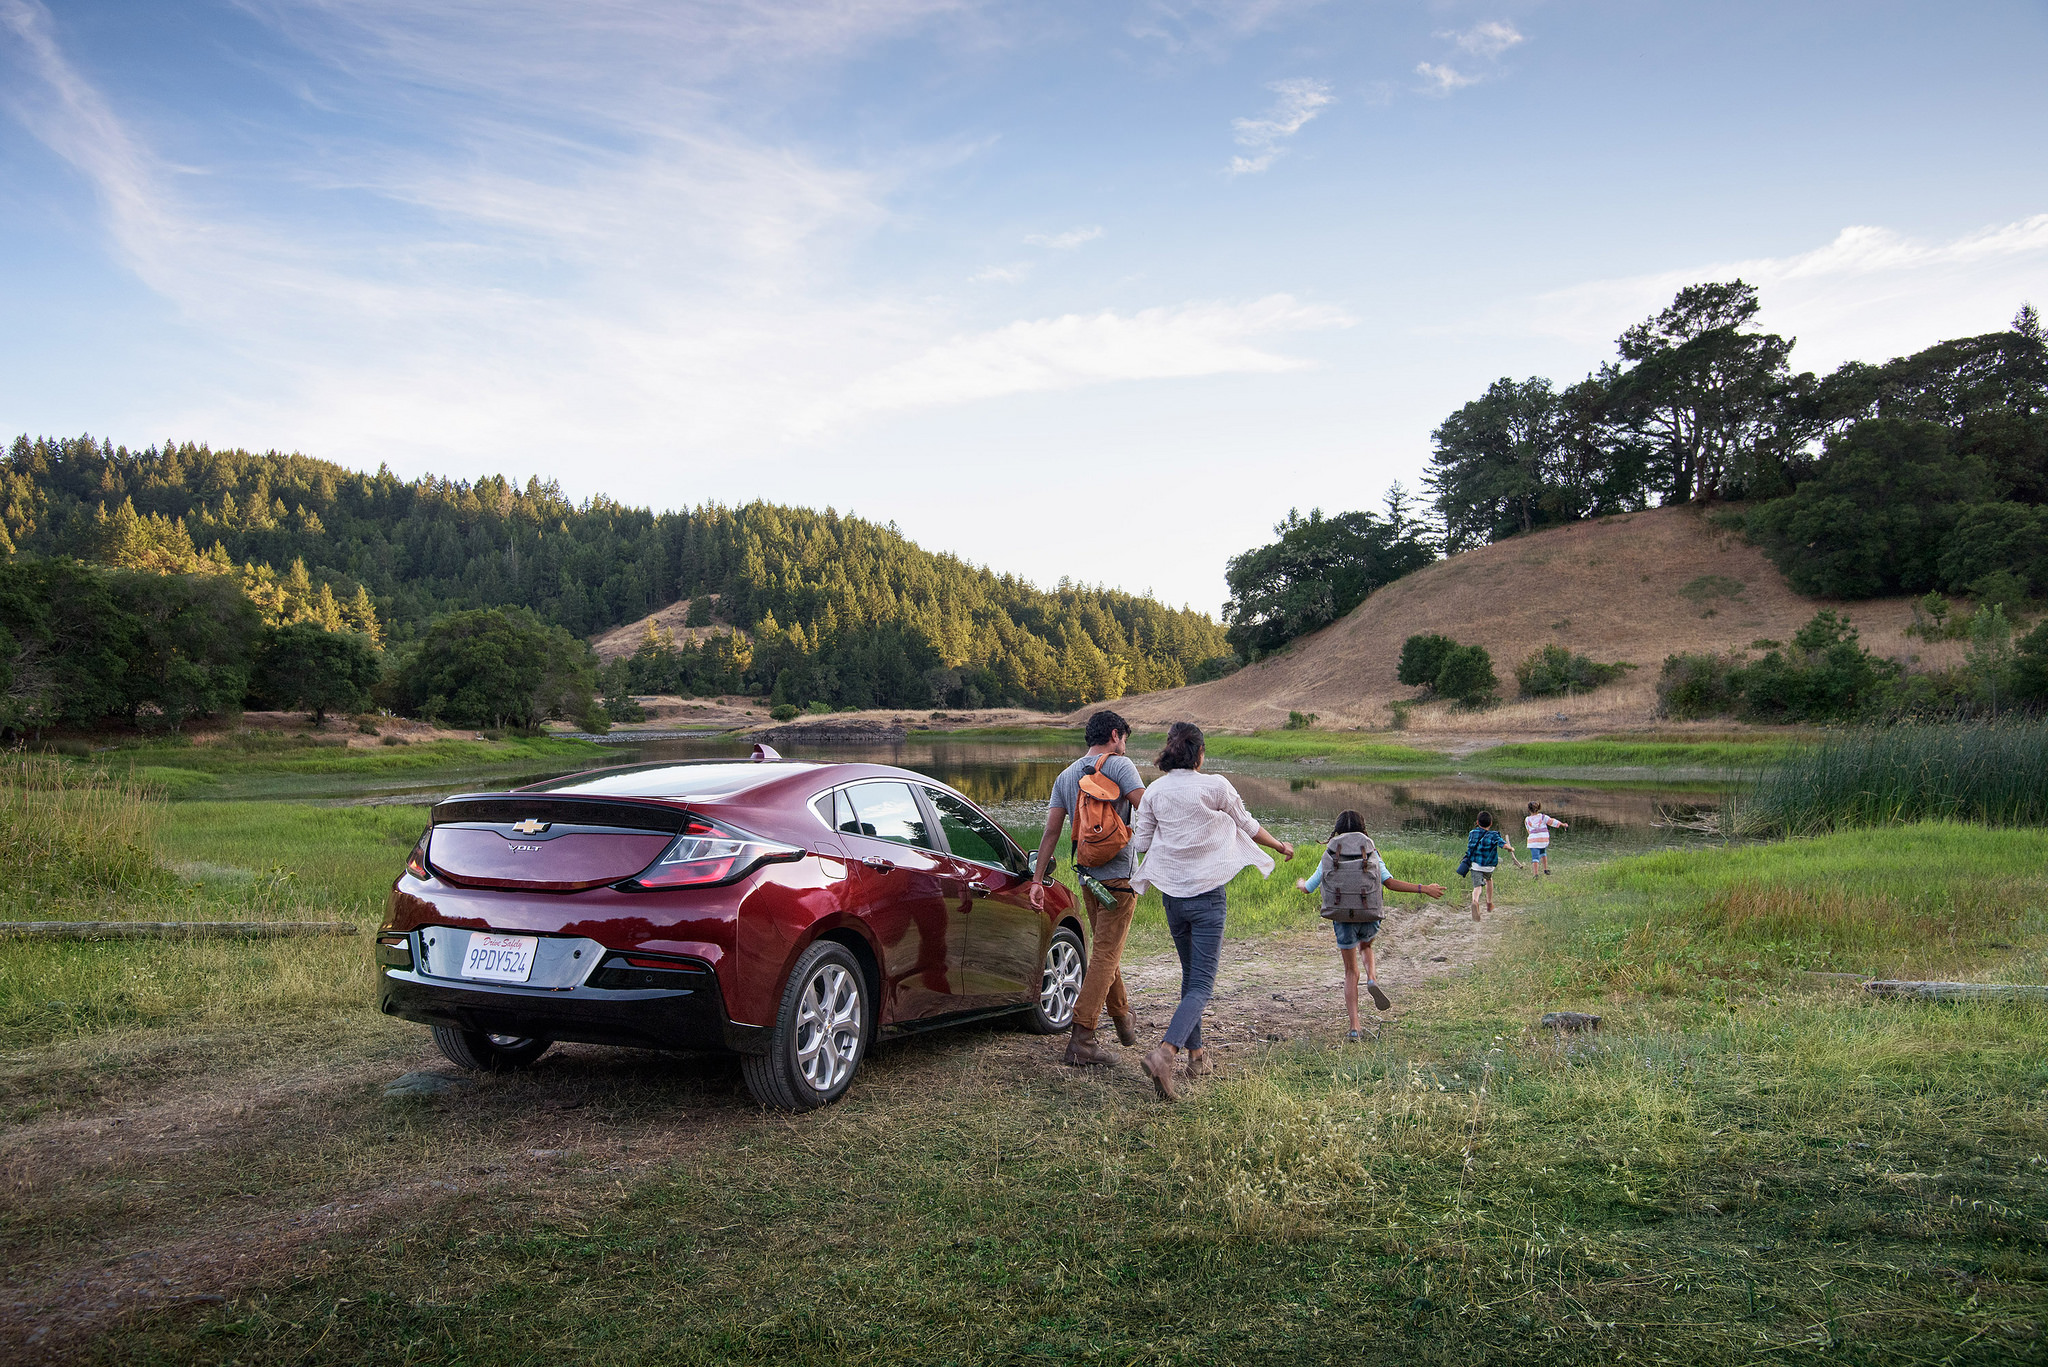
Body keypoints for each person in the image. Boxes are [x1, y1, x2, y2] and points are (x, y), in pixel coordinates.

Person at [1128, 721, 1295, 1102]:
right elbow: (1249, 826)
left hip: (1173, 900)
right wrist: (1280, 847)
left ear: (1171, 751)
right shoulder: (1215, 785)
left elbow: (1141, 844)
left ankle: (1198, 1058)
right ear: (1200, 754)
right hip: (1207, 900)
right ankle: (1164, 1054)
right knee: (1202, 985)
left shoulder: (1154, 790)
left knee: (1191, 979)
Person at [1029, 710, 1145, 1065]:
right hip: (1120, 880)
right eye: (1124, 740)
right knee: (1107, 954)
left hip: (1088, 878)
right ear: (1114, 734)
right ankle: (1082, 1037)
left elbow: (1051, 832)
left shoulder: (1065, 776)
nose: (1124, 748)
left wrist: (1037, 880)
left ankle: (1123, 1019)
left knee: (1106, 952)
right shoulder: (1121, 767)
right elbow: (1150, 810)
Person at [1295, 811, 1445, 1039]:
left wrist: (1301, 884)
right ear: (1362, 828)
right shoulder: (1371, 852)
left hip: (1343, 919)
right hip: (1370, 916)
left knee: (1350, 972)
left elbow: (1310, 887)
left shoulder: (1330, 854)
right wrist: (1424, 888)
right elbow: (1390, 883)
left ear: (1337, 830)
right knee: (1366, 947)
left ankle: (1355, 1027)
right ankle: (1372, 978)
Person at [1462, 810, 1520, 920]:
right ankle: (1489, 903)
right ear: (1491, 823)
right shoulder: (1493, 835)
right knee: (1489, 880)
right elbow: (1503, 845)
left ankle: (1475, 901)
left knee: (1477, 887)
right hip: (1488, 867)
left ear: (1477, 822)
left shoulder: (1472, 833)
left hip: (1475, 865)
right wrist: (1511, 848)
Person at [1524, 801, 1569, 876]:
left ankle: (1536, 874)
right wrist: (1562, 824)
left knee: (1535, 857)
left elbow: (1528, 830)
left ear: (1528, 809)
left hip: (1533, 841)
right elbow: (1552, 822)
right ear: (1539, 808)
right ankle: (1545, 869)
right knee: (1543, 853)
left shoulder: (1527, 819)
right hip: (1543, 840)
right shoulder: (1543, 817)